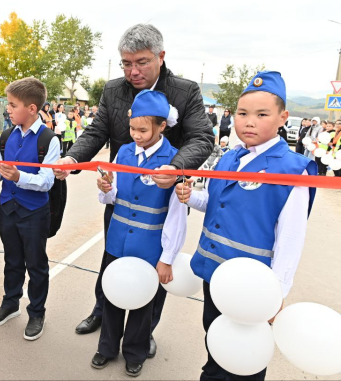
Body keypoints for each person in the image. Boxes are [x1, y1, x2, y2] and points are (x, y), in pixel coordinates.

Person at [54, 24, 214, 352]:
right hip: (121, 193)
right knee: (112, 256)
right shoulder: (114, 90)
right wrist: (72, 159)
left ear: (161, 57)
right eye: (126, 63)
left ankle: (144, 331)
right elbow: (96, 132)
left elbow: (202, 138)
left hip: (162, 195)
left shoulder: (185, 92)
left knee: (155, 264)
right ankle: (103, 311)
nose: (133, 71)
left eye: (141, 62)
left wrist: (175, 167)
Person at [176, 71, 317, 381]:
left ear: (283, 117)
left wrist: (276, 293)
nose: (248, 121)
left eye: (261, 114)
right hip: (214, 274)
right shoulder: (228, 158)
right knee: (215, 340)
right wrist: (191, 198)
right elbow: (215, 203)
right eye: (242, 113)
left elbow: (291, 237)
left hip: (252, 286)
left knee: (244, 358)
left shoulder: (293, 170)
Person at [92, 90, 187, 377]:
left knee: (144, 302)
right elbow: (114, 196)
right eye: (132, 128)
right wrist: (106, 190)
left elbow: (177, 215)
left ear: (162, 127)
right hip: (118, 240)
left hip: (150, 246)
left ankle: (135, 351)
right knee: (112, 294)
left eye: (143, 130)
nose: (136, 135)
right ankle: (106, 347)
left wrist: (168, 256)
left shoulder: (173, 162)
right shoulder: (123, 152)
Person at [0, 77, 60, 341]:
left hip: (34, 212)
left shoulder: (48, 140)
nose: (8, 109)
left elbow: (47, 182)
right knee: (11, 260)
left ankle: (37, 312)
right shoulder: (5, 136)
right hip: (7, 208)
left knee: (36, 264)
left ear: (31, 108)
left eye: (13, 105)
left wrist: (19, 177)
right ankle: (10, 303)